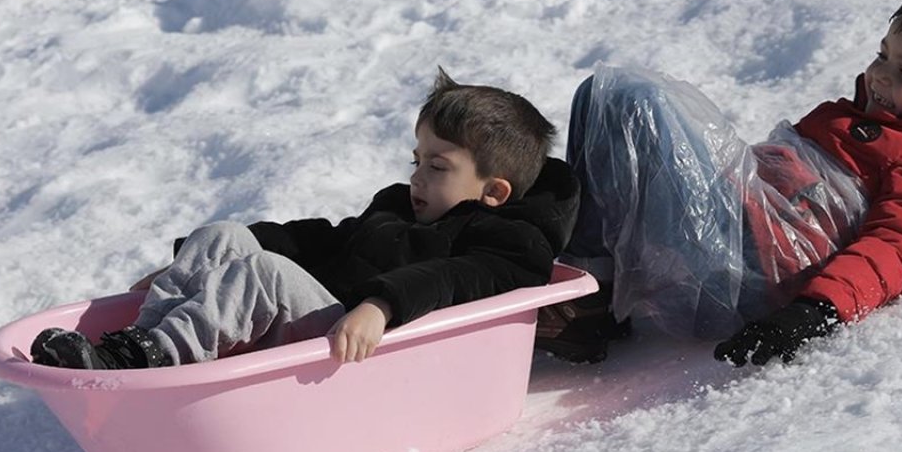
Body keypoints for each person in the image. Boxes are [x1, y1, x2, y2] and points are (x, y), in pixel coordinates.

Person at [534, 0, 902, 365]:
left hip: (746, 276)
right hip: (731, 235)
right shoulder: (845, 118)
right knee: (603, 95)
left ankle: (588, 301)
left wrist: (815, 310)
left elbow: (900, 249)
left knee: (637, 101)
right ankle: (585, 283)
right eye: (882, 55)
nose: (880, 75)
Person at [32, 69, 580, 369]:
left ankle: (155, 357)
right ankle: (137, 343)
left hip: (362, 349)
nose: (417, 177)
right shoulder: (398, 206)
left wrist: (381, 304)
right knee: (225, 235)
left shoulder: (509, 244)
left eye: (437, 167)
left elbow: (450, 279)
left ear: (493, 191)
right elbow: (327, 240)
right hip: (335, 325)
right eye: (416, 160)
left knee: (265, 273)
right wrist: (193, 265)